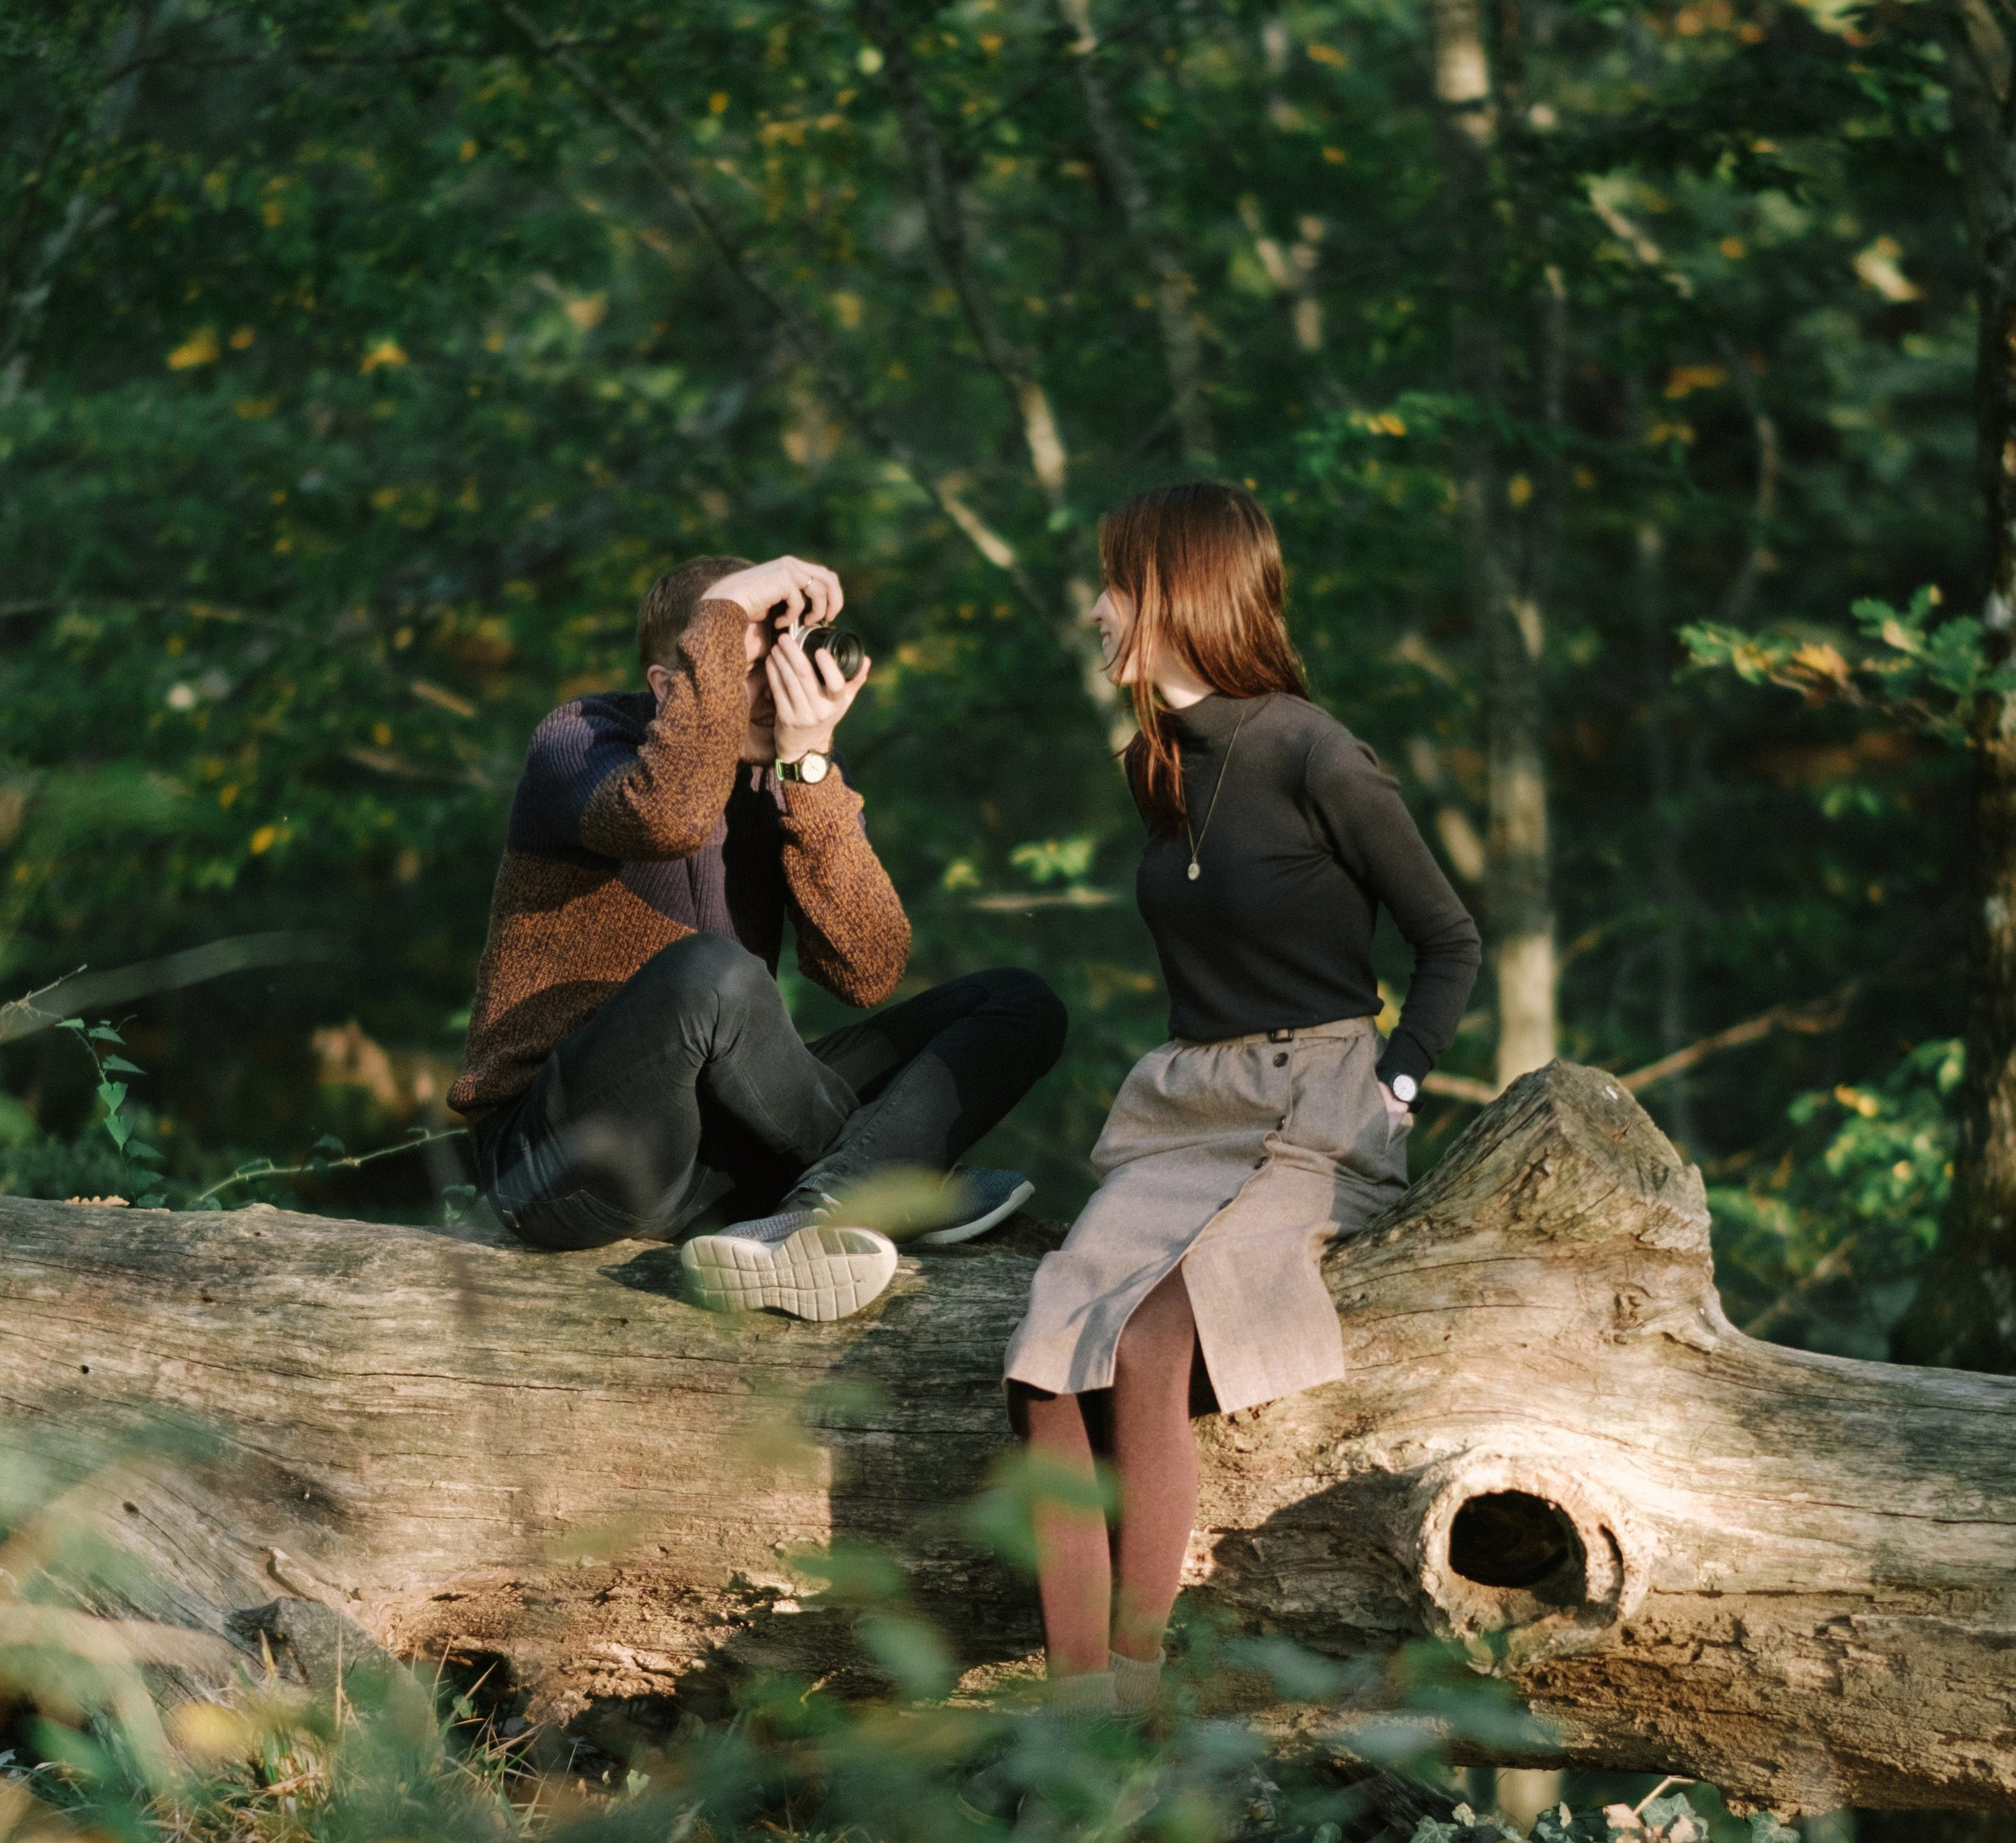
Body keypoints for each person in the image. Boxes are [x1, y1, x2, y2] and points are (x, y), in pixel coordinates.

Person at [1003, 479, 1481, 1714]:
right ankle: (1073, 1716)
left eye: (1115, 582)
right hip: (1188, 1106)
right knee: (1047, 1363)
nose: (1097, 608)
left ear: (1174, 592)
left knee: (1157, 1339)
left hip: (1314, 1105)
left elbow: (1449, 939)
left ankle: (1136, 1686)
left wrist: (1402, 1078)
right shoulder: (1157, 765)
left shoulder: (1316, 751)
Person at [448, 548, 1067, 1320]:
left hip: (720, 1159)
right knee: (712, 972)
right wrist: (727, 609)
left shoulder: (784, 779)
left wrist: (809, 768)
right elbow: (667, 817)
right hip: (558, 1157)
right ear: (669, 684)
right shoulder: (580, 735)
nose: (777, 689)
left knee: (1016, 1003)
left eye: (784, 662)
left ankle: (822, 1207)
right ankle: (890, 1187)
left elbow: (867, 967)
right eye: (744, 660)